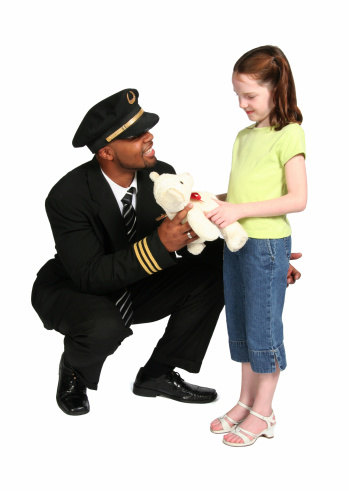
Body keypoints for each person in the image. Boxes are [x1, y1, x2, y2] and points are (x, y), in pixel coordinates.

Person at [31, 87, 302, 417]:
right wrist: (160, 244)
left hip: (138, 281)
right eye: (135, 135)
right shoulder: (67, 196)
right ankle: (74, 370)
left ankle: (157, 374)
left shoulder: (160, 174)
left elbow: (196, 222)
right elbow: (90, 276)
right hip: (77, 290)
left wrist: (263, 260)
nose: (148, 137)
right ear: (106, 152)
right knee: (104, 326)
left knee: (219, 270)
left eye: (145, 128)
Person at [207, 46, 307, 447]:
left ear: (276, 88)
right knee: (244, 328)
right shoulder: (243, 137)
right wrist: (215, 203)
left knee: (264, 330)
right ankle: (244, 401)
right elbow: (244, 192)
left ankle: (263, 412)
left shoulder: (290, 134)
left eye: (249, 95)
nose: (242, 104)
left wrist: (238, 209)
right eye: (238, 96)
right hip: (238, 243)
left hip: (266, 246)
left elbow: (297, 198)